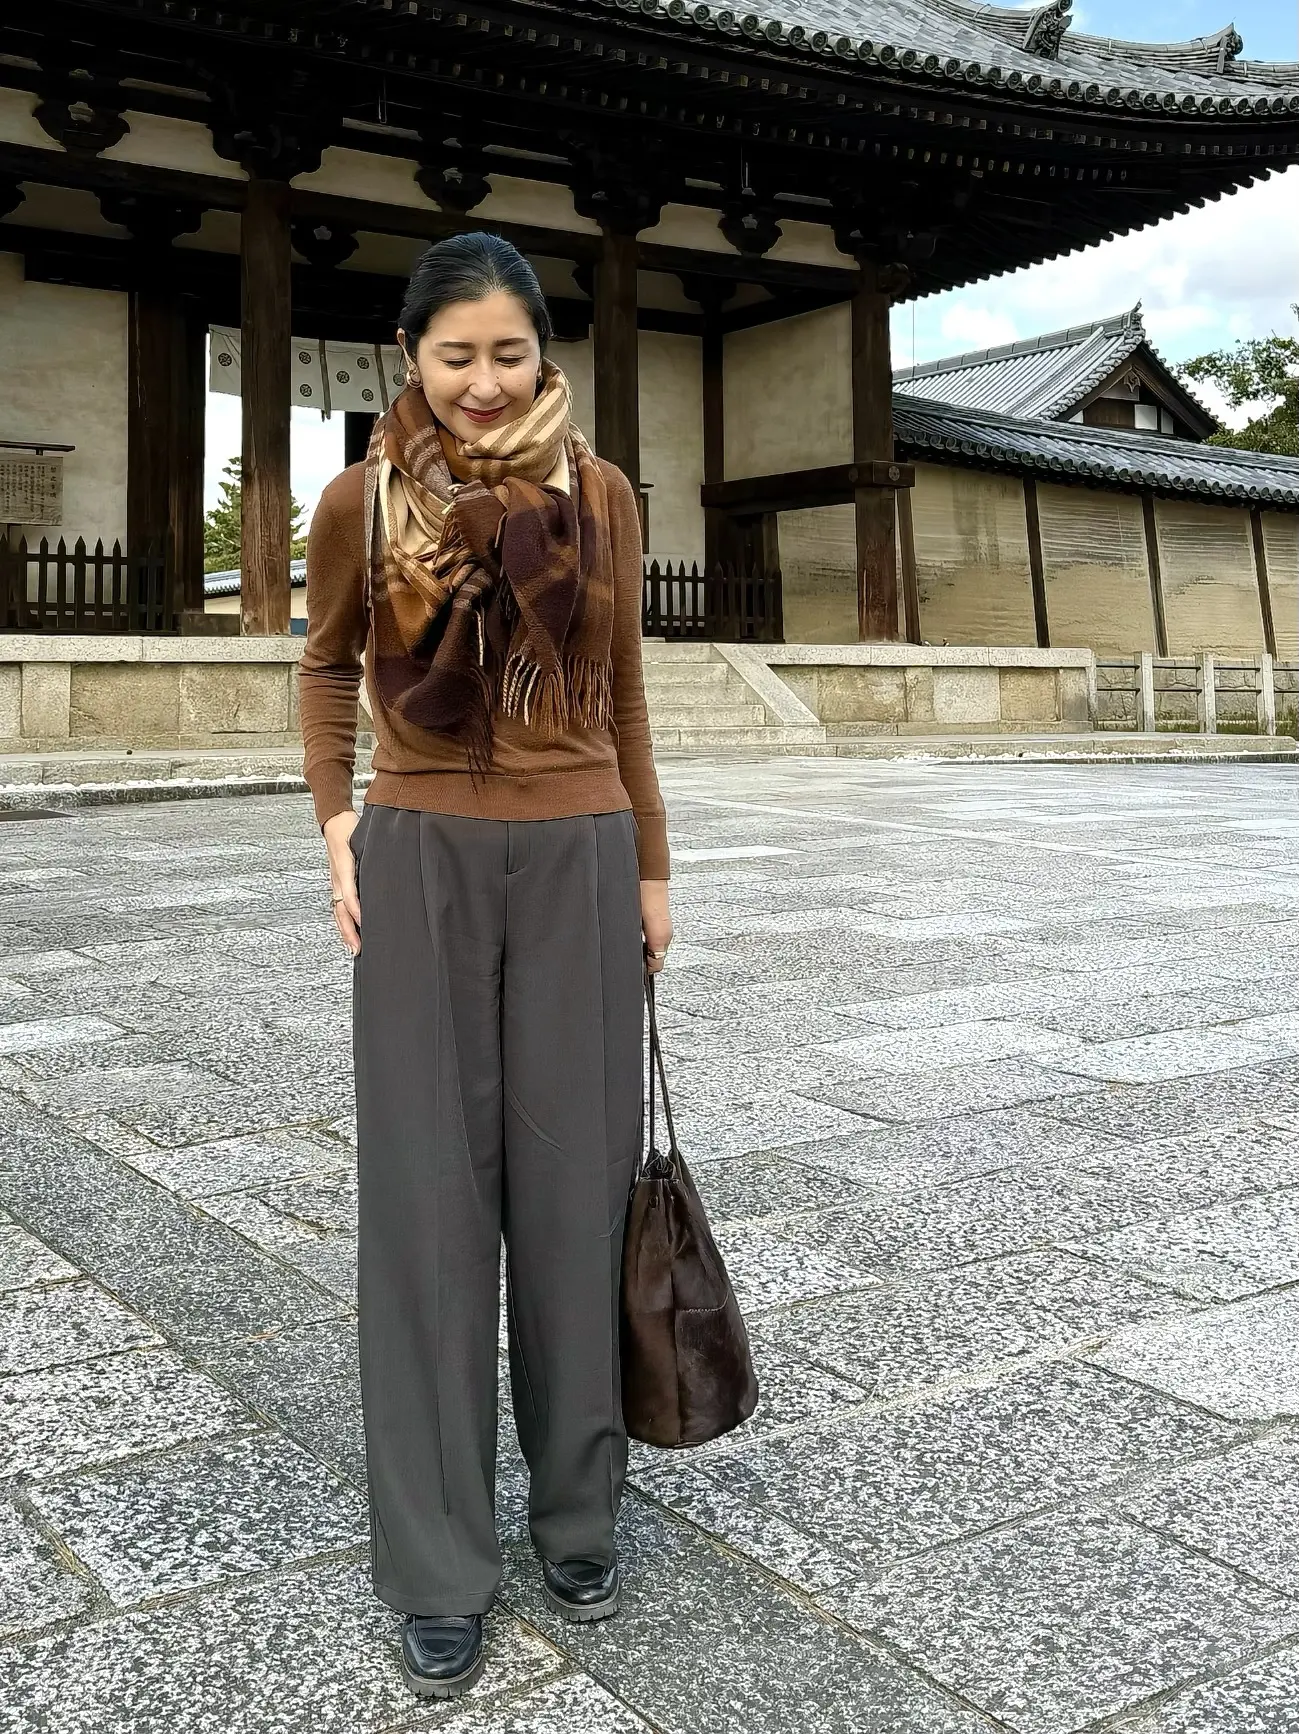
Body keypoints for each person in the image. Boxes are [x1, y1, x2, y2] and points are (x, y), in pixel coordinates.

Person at [297, 232, 673, 1700]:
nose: (481, 380)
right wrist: (337, 820)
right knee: (428, 1206)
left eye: (506, 352)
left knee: (577, 1186)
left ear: (541, 352)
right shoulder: (358, 499)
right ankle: (440, 1558)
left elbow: (627, 680)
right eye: (454, 354)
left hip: (580, 847)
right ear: (412, 358)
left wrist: (652, 864)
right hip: (422, 853)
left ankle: (579, 1507)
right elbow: (326, 664)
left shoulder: (601, 497)